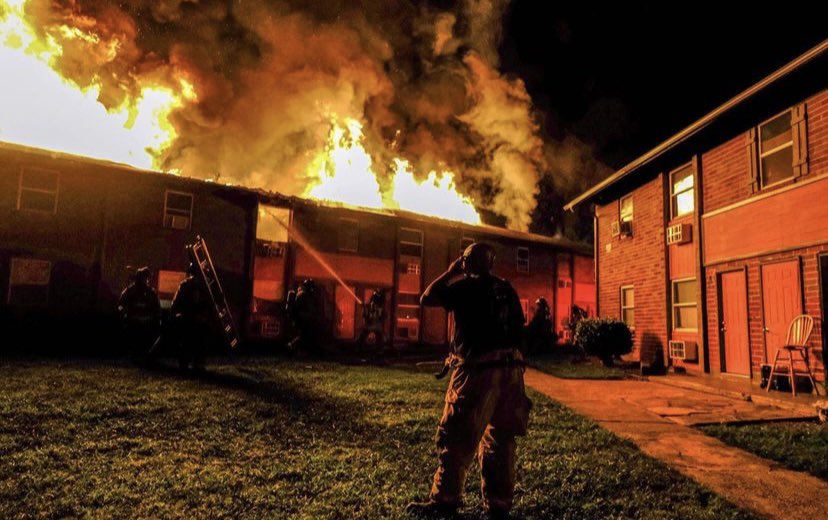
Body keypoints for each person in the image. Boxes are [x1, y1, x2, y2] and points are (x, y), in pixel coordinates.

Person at [407, 243, 531, 519]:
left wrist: (450, 272)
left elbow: (427, 297)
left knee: (456, 435)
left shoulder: (465, 287)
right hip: (511, 373)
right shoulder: (506, 289)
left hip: (478, 371)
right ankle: (498, 506)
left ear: (466, 263)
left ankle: (445, 500)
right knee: (500, 439)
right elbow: (519, 329)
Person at [170, 262, 212, 371]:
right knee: (195, 342)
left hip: (192, 319)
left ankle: (188, 363)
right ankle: (196, 363)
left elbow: (175, 302)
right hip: (192, 319)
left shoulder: (186, 284)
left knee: (189, 342)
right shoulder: (204, 285)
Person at [117, 266, 161, 361]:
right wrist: (124, 311)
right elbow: (121, 304)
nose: (145, 280)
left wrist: (154, 316)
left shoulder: (151, 293)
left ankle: (146, 353)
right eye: (143, 277)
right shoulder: (130, 291)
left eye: (146, 278)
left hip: (147, 320)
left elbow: (157, 308)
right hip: (133, 320)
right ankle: (134, 352)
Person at [286, 279, 322, 356]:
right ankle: (291, 346)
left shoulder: (305, 294)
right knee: (304, 336)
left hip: (304, 319)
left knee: (305, 336)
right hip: (302, 320)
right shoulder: (303, 295)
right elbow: (299, 308)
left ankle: (299, 350)